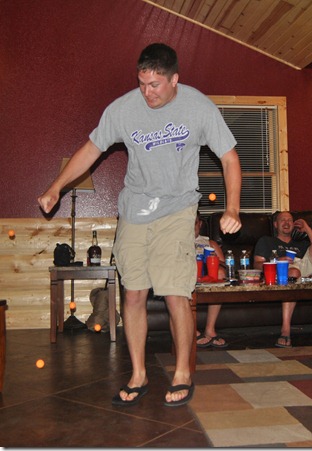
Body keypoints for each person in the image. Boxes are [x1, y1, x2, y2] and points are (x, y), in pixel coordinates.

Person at [37, 43, 242, 408]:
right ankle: (138, 374)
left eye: (155, 84)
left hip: (177, 208)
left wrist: (233, 208)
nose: (147, 92)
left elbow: (229, 158)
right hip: (134, 210)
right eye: (142, 83)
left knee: (176, 293)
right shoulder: (123, 108)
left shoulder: (198, 107)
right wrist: (56, 187)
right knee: (133, 293)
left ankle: (182, 372)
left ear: (174, 79)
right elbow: (91, 149)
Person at [253, 211, 312, 348]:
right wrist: (277, 261)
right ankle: (285, 330)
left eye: (290, 220)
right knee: (294, 273)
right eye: (282, 220)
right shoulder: (266, 241)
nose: (286, 222)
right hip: (281, 270)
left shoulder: (302, 244)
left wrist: (307, 228)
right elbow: (257, 265)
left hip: (304, 267)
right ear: (275, 224)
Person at [194, 211, 228, 348]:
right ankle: (191, 329)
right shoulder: (177, 241)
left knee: (220, 274)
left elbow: (224, 265)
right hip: (187, 276)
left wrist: (212, 261)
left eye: (195, 223)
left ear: (200, 224)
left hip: (207, 277)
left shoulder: (210, 243)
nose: (192, 226)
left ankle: (210, 329)